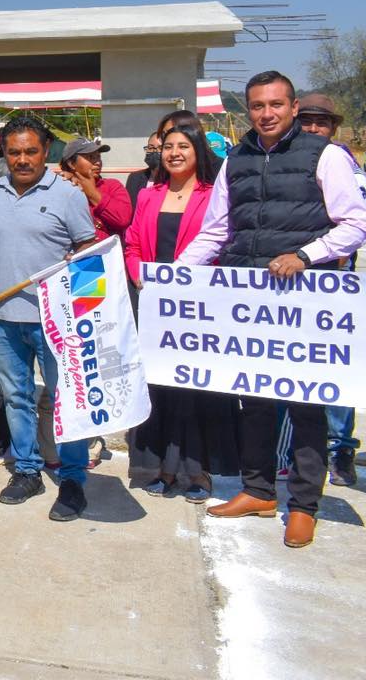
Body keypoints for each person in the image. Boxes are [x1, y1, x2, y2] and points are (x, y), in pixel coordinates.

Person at [179, 71, 366, 548]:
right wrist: (177, 273)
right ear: (248, 110)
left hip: (305, 301)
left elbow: (357, 225)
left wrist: (306, 256)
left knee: (306, 407)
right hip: (250, 303)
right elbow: (217, 230)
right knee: (255, 402)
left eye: (276, 105)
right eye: (258, 106)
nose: (266, 114)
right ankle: (259, 490)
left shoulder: (325, 156)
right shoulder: (235, 160)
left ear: (292, 108)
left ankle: (304, 505)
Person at [0, 115, 98, 521]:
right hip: (6, 317)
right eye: (14, 152)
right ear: (3, 154)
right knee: (16, 397)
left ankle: (74, 477)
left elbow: (88, 251)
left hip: (58, 322)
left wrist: (79, 280)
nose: (22, 159)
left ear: (46, 151)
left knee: (67, 399)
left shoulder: (68, 195)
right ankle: (26, 470)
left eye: (30, 151)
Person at [124, 124, 238, 502]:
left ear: (198, 151)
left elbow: (222, 243)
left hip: (199, 307)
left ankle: (196, 472)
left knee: (194, 388)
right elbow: (133, 244)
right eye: (167, 146)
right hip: (154, 302)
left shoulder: (213, 195)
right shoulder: (148, 195)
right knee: (159, 386)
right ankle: (156, 468)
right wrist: (142, 279)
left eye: (183, 146)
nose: (174, 152)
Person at [293, 93, 366, 487]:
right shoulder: (293, 161)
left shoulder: (344, 166)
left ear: (333, 128)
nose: (312, 128)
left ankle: (340, 451)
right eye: (305, 120)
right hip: (293, 286)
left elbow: (353, 230)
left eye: (320, 122)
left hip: (333, 284)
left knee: (334, 373)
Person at [58, 138, 133, 240]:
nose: (97, 162)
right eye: (91, 157)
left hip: (109, 254)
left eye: (98, 157)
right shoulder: (62, 187)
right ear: (71, 163)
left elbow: (123, 219)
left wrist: (92, 192)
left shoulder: (112, 185)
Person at [125, 133, 162, 209]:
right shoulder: (134, 178)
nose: (154, 152)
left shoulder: (173, 181)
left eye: (160, 148)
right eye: (151, 148)